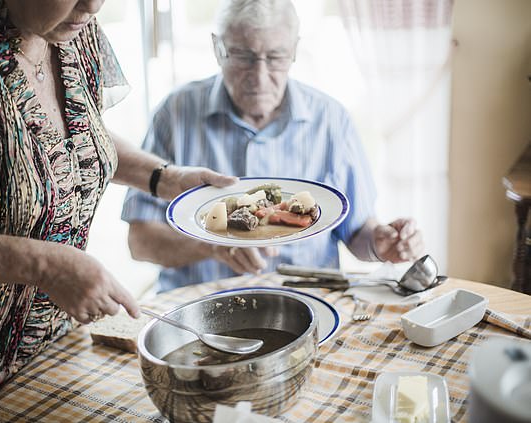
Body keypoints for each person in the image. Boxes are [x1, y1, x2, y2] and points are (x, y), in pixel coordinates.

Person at [0, 0, 235, 407]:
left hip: (48, 354)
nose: (93, 5)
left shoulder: (71, 29)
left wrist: (163, 177)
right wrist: (43, 264)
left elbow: (69, 139)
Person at [121, 0, 425, 293]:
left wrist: (381, 245)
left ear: (294, 50)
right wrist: (211, 246)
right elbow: (140, 240)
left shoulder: (331, 120)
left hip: (305, 301)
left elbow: (358, 232)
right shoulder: (174, 113)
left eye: (276, 57)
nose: (260, 76)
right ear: (218, 48)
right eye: (243, 56)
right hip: (197, 304)